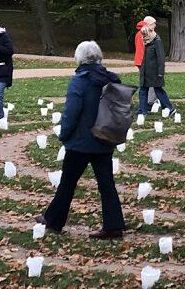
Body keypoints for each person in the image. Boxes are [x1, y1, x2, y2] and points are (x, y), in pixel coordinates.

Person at [36, 41, 126, 239]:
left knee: (68, 183)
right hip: (105, 138)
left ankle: (53, 221)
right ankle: (114, 226)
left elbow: (71, 111)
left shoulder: (80, 80)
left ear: (80, 58)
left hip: (81, 142)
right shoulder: (111, 79)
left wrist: (64, 134)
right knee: (106, 184)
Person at [138, 26, 175, 115]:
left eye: (145, 35)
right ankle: (142, 111)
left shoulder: (157, 42)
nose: (143, 37)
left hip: (154, 73)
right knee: (143, 90)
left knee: (158, 90)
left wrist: (161, 72)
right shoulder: (147, 43)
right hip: (145, 72)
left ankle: (169, 108)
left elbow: (161, 58)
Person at [134, 16, 157, 108]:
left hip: (140, 60)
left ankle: (144, 103)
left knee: (145, 83)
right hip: (146, 61)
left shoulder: (138, 33)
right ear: (149, 24)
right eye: (153, 24)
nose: (155, 25)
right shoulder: (146, 33)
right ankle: (149, 102)